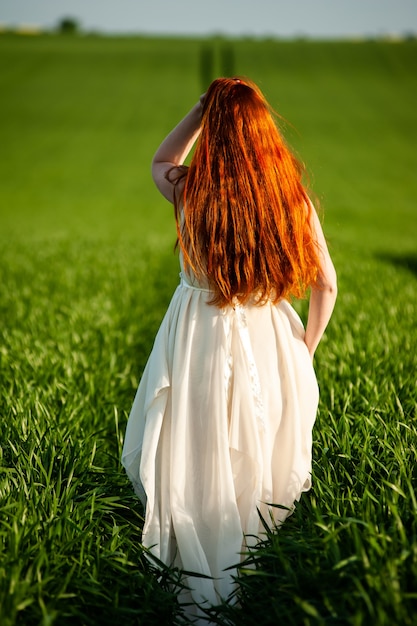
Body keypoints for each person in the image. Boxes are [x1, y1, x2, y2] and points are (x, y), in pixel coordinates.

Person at [122, 77, 337, 622]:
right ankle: (249, 568)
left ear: (212, 130)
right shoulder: (290, 198)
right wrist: (304, 349)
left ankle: (192, 575)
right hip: (267, 333)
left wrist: (200, 109)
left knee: (195, 449)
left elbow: (160, 159)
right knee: (255, 450)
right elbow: (327, 285)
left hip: (197, 333)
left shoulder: (189, 188)